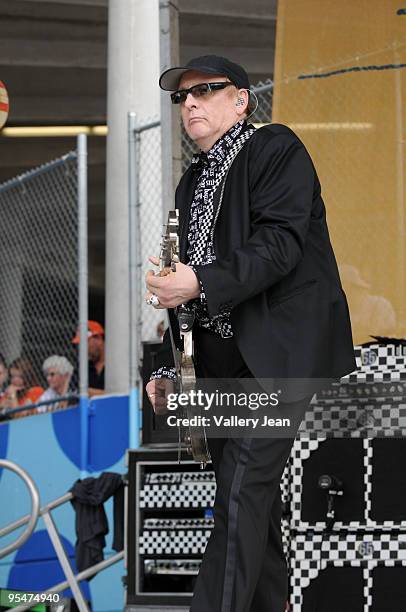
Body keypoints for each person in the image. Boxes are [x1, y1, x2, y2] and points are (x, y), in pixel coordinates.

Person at [145, 55, 356, 612]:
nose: (189, 102)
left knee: (241, 492)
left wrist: (196, 281)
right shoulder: (192, 179)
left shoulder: (274, 147)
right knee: (249, 511)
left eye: (205, 90)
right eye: (181, 96)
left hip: (276, 358)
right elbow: (190, 284)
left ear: (241, 99)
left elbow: (280, 244)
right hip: (223, 364)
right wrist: (171, 367)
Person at [72, 320, 105, 397]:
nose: (81, 349)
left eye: (84, 344)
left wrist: (89, 392)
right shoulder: (81, 368)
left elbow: (123, 393)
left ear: (98, 339)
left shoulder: (117, 362)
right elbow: (73, 393)